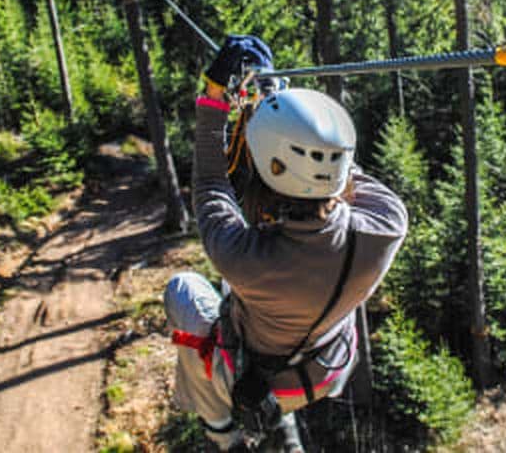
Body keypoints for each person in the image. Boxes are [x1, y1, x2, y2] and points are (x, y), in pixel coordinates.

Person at [164, 36, 408, 452]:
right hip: (329, 368)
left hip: (264, 373)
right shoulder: (386, 226)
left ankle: (222, 433)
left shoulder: (242, 257)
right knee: (242, 296)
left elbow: (210, 184)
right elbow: (341, 171)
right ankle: (282, 426)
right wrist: (279, 109)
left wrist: (214, 98)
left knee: (183, 290)